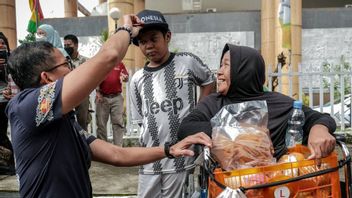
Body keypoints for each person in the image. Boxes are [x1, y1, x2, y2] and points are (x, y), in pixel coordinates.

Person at [5, 14, 212, 197]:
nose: (72, 70)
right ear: (47, 78)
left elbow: (116, 154)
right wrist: (125, 30)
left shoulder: (62, 120)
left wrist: (169, 149)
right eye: (66, 65)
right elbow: (109, 57)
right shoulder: (27, 107)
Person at [178, 43, 336, 161]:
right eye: (221, 65)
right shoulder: (214, 103)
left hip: (275, 182)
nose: (218, 72)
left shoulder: (278, 103)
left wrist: (320, 129)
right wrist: (241, 134)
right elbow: (185, 128)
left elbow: (320, 118)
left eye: (225, 65)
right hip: (228, 183)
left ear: (245, 70)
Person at [129, 9, 215, 197]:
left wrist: (198, 113)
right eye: (143, 42)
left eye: (154, 39)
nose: (149, 46)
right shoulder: (137, 79)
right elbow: (141, 121)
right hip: (150, 160)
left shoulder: (187, 62)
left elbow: (209, 81)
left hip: (181, 159)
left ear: (167, 36)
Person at [96, 62, 128, 146]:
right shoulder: (102, 63)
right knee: (101, 124)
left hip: (117, 97)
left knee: (118, 123)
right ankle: (103, 149)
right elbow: (96, 78)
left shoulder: (120, 64)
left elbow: (126, 77)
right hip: (103, 97)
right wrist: (98, 92)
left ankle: (118, 148)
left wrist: (125, 77)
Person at [64, 34, 91, 131]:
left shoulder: (85, 61)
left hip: (82, 95)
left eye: (69, 45)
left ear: (76, 45)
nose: (66, 47)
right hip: (67, 94)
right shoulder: (64, 61)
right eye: (65, 45)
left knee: (82, 122)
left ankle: (84, 145)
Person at [0, 32, 15, 175]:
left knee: (2, 133)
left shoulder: (12, 61)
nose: (1, 46)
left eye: (3, 43)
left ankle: (11, 165)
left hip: (5, 102)